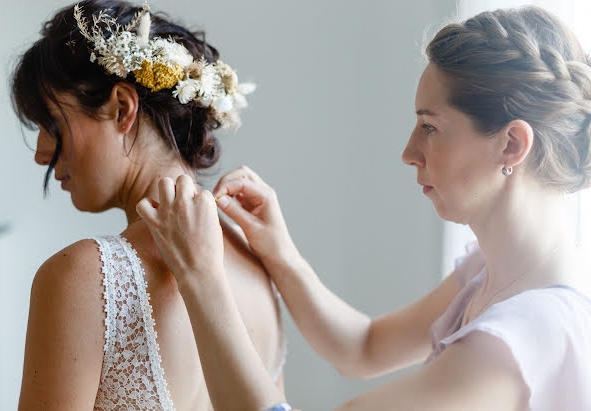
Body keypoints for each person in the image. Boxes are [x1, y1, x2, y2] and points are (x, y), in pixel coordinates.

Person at [136, 5, 591, 411]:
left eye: (429, 127)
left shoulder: (521, 337)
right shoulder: (492, 271)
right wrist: (281, 253)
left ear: (512, 144)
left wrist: (202, 279)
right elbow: (364, 347)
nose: (409, 151)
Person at [12, 0, 286, 409]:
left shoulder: (83, 278)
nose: (41, 153)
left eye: (50, 124)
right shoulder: (256, 257)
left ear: (122, 108)